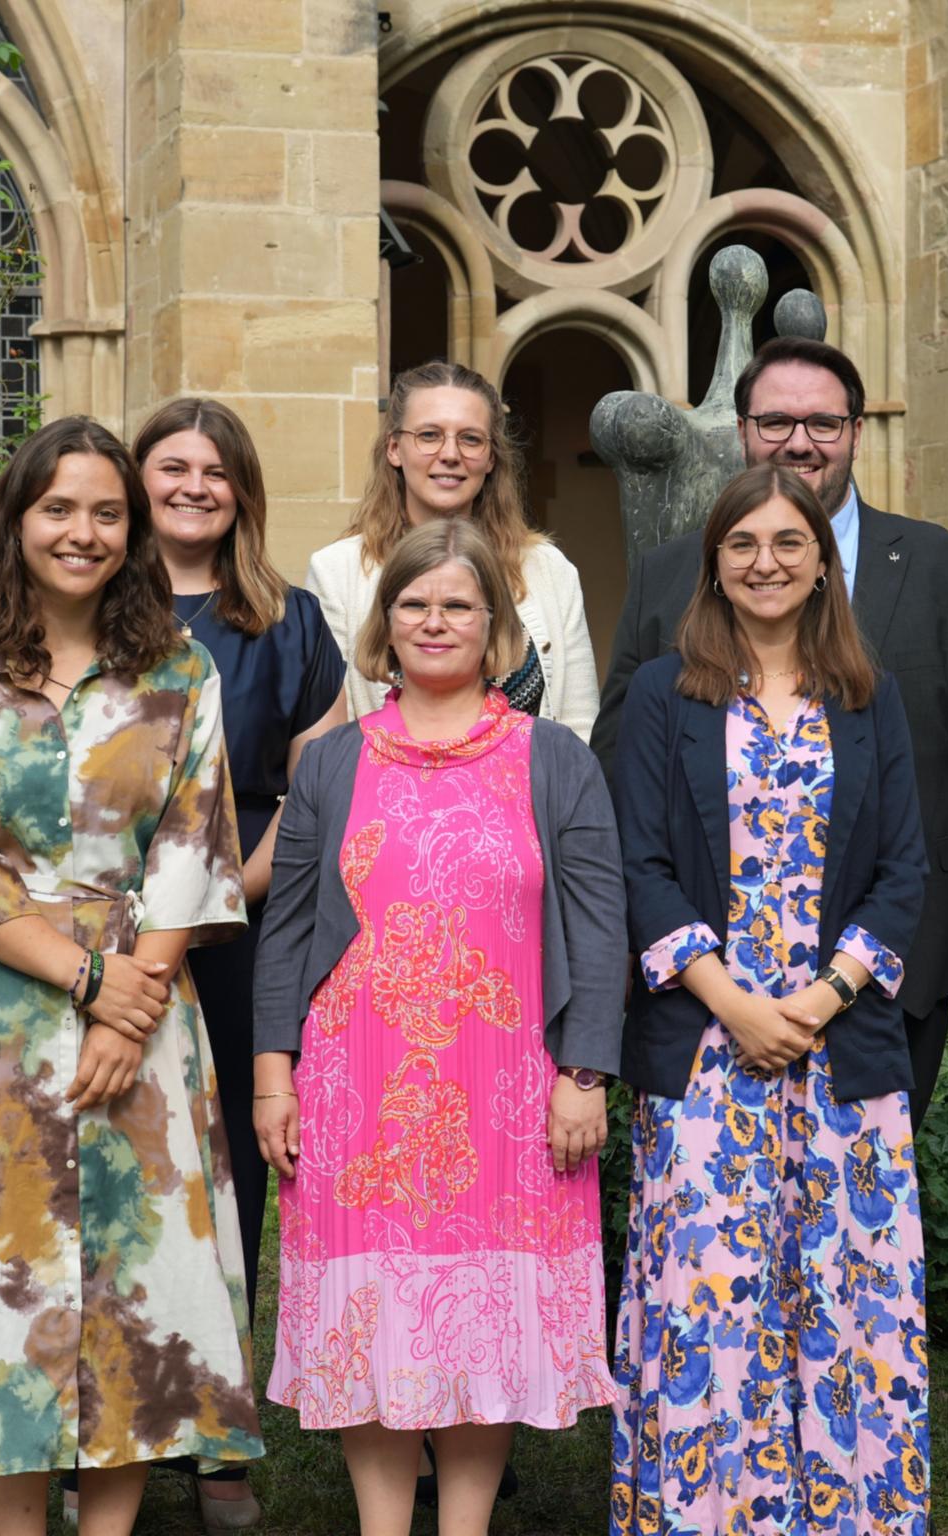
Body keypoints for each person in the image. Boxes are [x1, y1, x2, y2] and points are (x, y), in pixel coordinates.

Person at [0, 416, 261, 1534]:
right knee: (5, 1301)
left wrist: (130, 1000)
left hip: (146, 1023)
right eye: (59, 508)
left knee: (135, 1305)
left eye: (108, 511)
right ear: (15, 522)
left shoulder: (180, 673)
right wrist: (87, 982)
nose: (84, 531)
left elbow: (195, 844)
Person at [253, 517, 626, 1536]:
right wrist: (272, 1077)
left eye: (456, 604)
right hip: (353, 1093)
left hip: (509, 1098)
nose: (433, 620)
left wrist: (584, 1073)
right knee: (370, 1326)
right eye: (413, 604)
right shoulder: (331, 763)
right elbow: (284, 933)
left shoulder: (554, 761)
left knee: (483, 1330)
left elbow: (598, 928)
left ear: (494, 627)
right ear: (383, 627)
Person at [608, 463, 931, 1536]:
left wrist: (822, 998)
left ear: (820, 562)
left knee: (842, 1297)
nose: (764, 562)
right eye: (741, 543)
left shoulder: (866, 695)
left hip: (839, 1053)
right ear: (713, 564)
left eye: (788, 542)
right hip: (706, 1051)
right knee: (712, 1296)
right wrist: (731, 1002)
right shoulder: (665, 692)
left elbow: (903, 868)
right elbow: (638, 862)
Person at [593, 337, 948, 1127]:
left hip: (894, 964)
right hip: (699, 985)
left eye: (824, 421)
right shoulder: (672, 572)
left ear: (856, 431)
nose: (799, 440)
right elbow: (619, 770)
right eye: (775, 419)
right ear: (744, 431)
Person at [133, 396, 346, 1529]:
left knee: (228, 1182)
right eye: (172, 466)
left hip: (241, 931)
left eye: (216, 471)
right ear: (139, 481)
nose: (194, 486)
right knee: (114, 1172)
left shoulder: (293, 625)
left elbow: (309, 799)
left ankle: (217, 1442)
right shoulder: (92, 605)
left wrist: (211, 899)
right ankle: (104, 1422)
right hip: (99, 938)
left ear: (242, 492)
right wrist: (120, 921)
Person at [307, 359, 597, 742]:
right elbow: (332, 742)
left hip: (530, 797)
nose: (450, 454)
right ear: (394, 448)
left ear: (491, 457)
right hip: (387, 796)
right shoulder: (337, 572)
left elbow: (581, 727)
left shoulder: (548, 569)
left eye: (471, 438)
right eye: (429, 435)